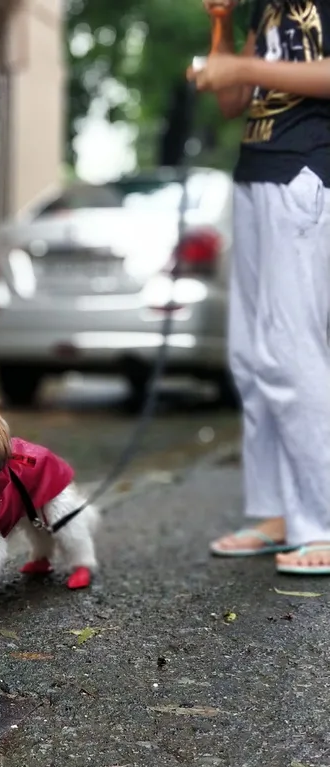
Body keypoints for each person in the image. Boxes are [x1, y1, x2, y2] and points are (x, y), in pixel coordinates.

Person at [190, 0, 330, 575]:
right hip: (254, 177)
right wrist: (221, 25)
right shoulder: (264, 10)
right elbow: (230, 102)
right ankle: (276, 512)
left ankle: (321, 520)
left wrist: (242, 70)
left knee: (294, 352)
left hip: (304, 172)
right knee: (252, 357)